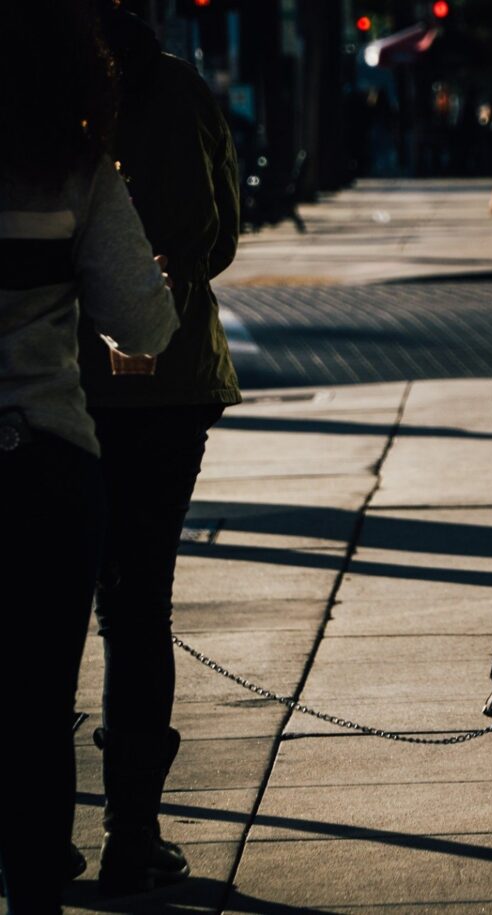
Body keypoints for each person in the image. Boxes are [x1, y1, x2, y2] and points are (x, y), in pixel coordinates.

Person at [0, 2, 178, 910]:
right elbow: (143, 322)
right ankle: (34, 877)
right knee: (38, 701)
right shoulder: (76, 171)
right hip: (46, 468)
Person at [75, 0, 242, 895]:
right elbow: (214, 234)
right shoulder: (176, 90)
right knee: (139, 608)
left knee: (43, 610)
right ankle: (130, 831)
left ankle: (31, 821)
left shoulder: (39, 90)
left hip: (50, 385)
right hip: (168, 381)